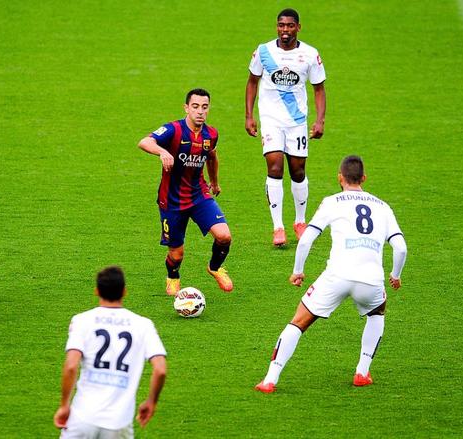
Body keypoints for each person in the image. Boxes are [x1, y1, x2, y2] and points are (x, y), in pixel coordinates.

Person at [254, 155, 407, 393]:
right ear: (364, 178)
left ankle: (269, 379)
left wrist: (298, 272)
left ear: (340, 178)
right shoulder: (383, 206)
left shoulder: (332, 202)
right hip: (371, 280)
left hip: (337, 276)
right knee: (377, 312)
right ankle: (362, 372)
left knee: (299, 322)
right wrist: (395, 275)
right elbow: (401, 248)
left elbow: (306, 240)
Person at [138, 88, 233, 296]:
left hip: (199, 195)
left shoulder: (211, 134)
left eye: (204, 107)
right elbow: (144, 142)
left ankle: (215, 268)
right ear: (186, 108)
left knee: (224, 236)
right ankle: (173, 276)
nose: (200, 111)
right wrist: (162, 152)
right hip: (171, 200)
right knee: (176, 254)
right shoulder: (173, 130)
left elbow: (211, 156)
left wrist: (214, 182)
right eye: (195, 106)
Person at [53, 266, 167, 438]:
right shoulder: (143, 325)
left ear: (97, 291)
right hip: (119, 423)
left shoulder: (82, 321)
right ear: (124, 291)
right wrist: (152, 401)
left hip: (82, 418)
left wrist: (64, 405)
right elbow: (160, 370)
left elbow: (71, 366)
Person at [245, 8, 327, 246]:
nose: (285, 30)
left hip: (297, 121)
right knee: (275, 167)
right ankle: (278, 227)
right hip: (271, 119)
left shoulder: (310, 54)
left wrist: (320, 120)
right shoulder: (263, 51)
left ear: (298, 27)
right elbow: (252, 82)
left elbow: (319, 89)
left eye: (290, 25)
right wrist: (249, 116)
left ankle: (300, 222)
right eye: (281, 25)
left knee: (298, 171)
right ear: (277, 27)